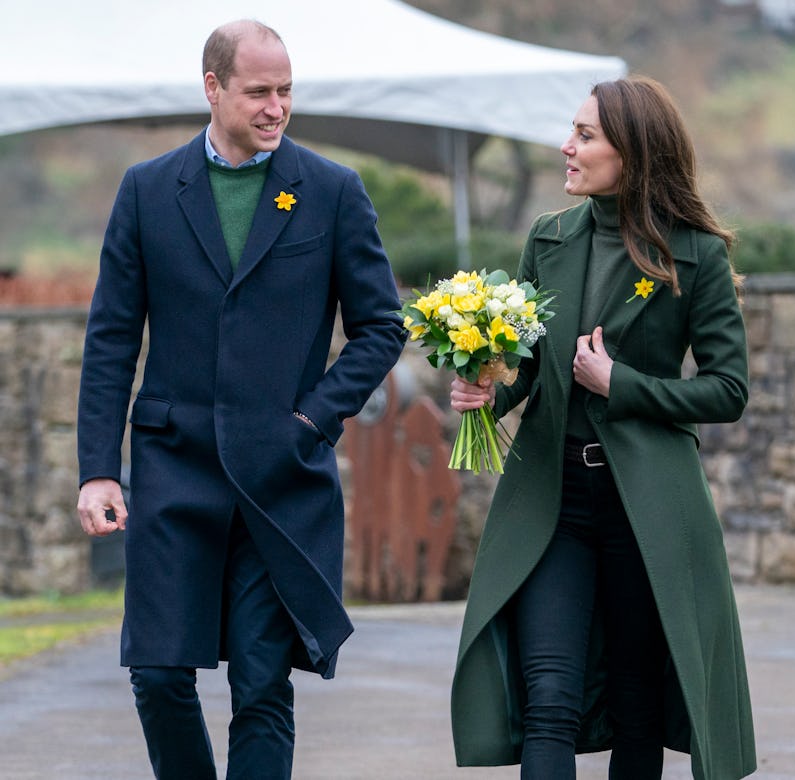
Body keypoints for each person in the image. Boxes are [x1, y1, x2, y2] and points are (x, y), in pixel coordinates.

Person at [75, 19, 404, 780]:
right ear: (213, 87)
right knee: (157, 677)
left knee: (261, 688)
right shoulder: (147, 190)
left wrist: (314, 420)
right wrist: (98, 469)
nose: (276, 107)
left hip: (279, 481)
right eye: (259, 91)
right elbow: (112, 340)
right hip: (172, 473)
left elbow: (380, 327)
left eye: (286, 91)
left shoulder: (331, 191)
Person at [449, 76, 756, 779]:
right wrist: (485, 395)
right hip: (552, 502)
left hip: (647, 507)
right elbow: (526, 369)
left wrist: (624, 385)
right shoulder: (548, 239)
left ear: (636, 151)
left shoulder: (697, 254)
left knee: (636, 706)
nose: (568, 146)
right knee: (548, 700)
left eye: (586, 135)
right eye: (574, 130)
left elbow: (728, 388)